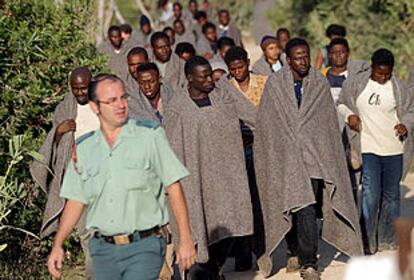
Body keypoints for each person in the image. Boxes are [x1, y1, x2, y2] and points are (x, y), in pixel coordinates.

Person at [46, 74, 196, 280]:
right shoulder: (84, 149)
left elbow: (174, 186)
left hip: (144, 246)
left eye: (123, 98)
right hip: (104, 250)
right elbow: (75, 200)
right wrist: (58, 244)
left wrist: (185, 239)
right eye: (111, 100)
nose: (120, 105)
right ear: (95, 107)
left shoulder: (150, 137)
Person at [254, 38, 363, 280]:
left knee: (307, 208)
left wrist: (329, 155)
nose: (303, 61)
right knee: (291, 207)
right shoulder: (276, 84)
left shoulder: (318, 82)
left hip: (313, 158)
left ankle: (309, 262)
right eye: (298, 57)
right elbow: (267, 125)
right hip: (286, 159)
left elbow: (326, 124)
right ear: (289, 59)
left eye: (306, 56)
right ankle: (293, 248)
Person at [163, 56, 257, 279]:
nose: (209, 79)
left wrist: (244, 134)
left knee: (229, 230)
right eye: (203, 76)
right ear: (189, 78)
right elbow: (170, 146)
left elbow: (250, 117)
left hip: (226, 180)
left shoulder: (222, 96)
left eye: (210, 74)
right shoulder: (178, 108)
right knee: (198, 235)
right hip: (195, 183)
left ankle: (215, 269)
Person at [337, 48, 414, 255]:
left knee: (391, 195)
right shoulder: (356, 83)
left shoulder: (397, 86)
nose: (382, 77)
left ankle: (388, 238)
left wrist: (405, 125)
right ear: (371, 68)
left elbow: (409, 110)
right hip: (368, 147)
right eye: (379, 73)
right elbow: (341, 102)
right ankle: (367, 240)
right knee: (370, 193)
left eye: (387, 74)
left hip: (394, 149)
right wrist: (349, 116)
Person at [31, 67, 99, 280]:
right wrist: (59, 132)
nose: (80, 93)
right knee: (88, 236)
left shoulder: (102, 105)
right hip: (77, 181)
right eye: (75, 88)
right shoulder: (64, 109)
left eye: (84, 88)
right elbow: (57, 150)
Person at [224, 46, 267, 271]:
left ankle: (262, 252)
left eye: (241, 67)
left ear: (248, 63)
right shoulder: (224, 89)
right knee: (240, 205)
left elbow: (271, 116)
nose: (238, 72)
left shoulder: (264, 83)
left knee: (260, 204)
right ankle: (242, 256)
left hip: (263, 151)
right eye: (233, 69)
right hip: (236, 155)